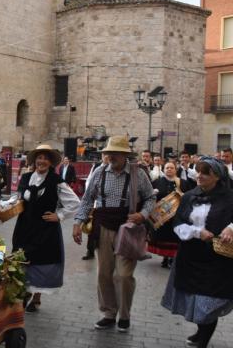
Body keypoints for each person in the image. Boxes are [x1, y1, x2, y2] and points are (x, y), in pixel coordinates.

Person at [73, 136, 155, 333]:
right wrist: (78, 222)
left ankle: (124, 315)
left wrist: (142, 215)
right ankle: (109, 312)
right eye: (108, 153)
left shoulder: (138, 173)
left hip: (128, 228)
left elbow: (150, 198)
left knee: (124, 275)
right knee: (104, 273)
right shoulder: (99, 173)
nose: (110, 157)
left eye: (115, 153)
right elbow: (86, 200)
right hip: (103, 227)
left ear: (125, 155)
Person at [161, 157, 233, 348]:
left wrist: (231, 228)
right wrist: (197, 232)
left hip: (217, 258)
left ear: (216, 177)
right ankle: (200, 331)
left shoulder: (229, 198)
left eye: (205, 173)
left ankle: (204, 339)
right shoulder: (189, 196)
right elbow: (178, 223)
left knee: (208, 300)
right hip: (191, 255)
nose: (199, 176)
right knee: (195, 297)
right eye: (198, 171)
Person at [10, 145, 80, 312]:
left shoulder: (56, 181)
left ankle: (36, 297)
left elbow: (75, 203)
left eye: (45, 158)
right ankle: (24, 292)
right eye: (39, 158)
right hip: (25, 227)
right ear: (34, 160)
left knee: (41, 261)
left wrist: (59, 215)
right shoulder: (26, 177)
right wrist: (2, 209)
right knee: (22, 259)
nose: (41, 161)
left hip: (45, 229)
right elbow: (18, 199)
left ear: (50, 163)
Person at [149, 162, 189, 268]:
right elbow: (150, 196)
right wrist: (153, 193)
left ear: (175, 170)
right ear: (164, 169)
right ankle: (165, 258)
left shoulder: (183, 182)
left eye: (172, 168)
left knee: (174, 238)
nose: (169, 169)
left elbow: (189, 196)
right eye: (167, 168)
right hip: (162, 216)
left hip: (177, 215)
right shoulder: (157, 182)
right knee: (163, 238)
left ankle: (173, 258)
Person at [82, 153, 109, 260]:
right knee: (91, 227)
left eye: (108, 155)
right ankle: (90, 250)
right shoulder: (97, 167)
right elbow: (89, 182)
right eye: (104, 155)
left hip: (107, 204)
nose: (106, 157)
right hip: (95, 202)